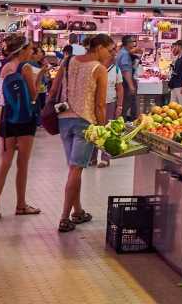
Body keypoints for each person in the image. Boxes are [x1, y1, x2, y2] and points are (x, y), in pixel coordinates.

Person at [57, 33, 115, 232]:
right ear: (99, 48)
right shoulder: (99, 69)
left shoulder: (69, 61)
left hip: (64, 119)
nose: (111, 53)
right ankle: (64, 217)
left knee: (75, 168)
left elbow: (55, 87)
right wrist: (103, 129)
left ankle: (78, 211)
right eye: (110, 49)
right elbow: (100, 105)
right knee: (75, 170)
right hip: (85, 122)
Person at [0, 36, 41, 221]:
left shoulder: (5, 68)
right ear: (22, 50)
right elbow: (34, 94)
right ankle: (21, 204)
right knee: (23, 164)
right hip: (25, 119)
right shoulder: (25, 68)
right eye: (30, 49)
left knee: (5, 162)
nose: (32, 52)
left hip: (7, 118)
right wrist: (40, 76)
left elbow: (2, 95)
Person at [115, 37, 137, 121]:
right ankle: (123, 124)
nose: (134, 44)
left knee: (126, 104)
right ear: (128, 43)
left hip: (123, 81)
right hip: (125, 82)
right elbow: (125, 71)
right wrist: (131, 85)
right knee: (126, 105)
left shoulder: (122, 52)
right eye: (133, 42)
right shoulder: (124, 54)